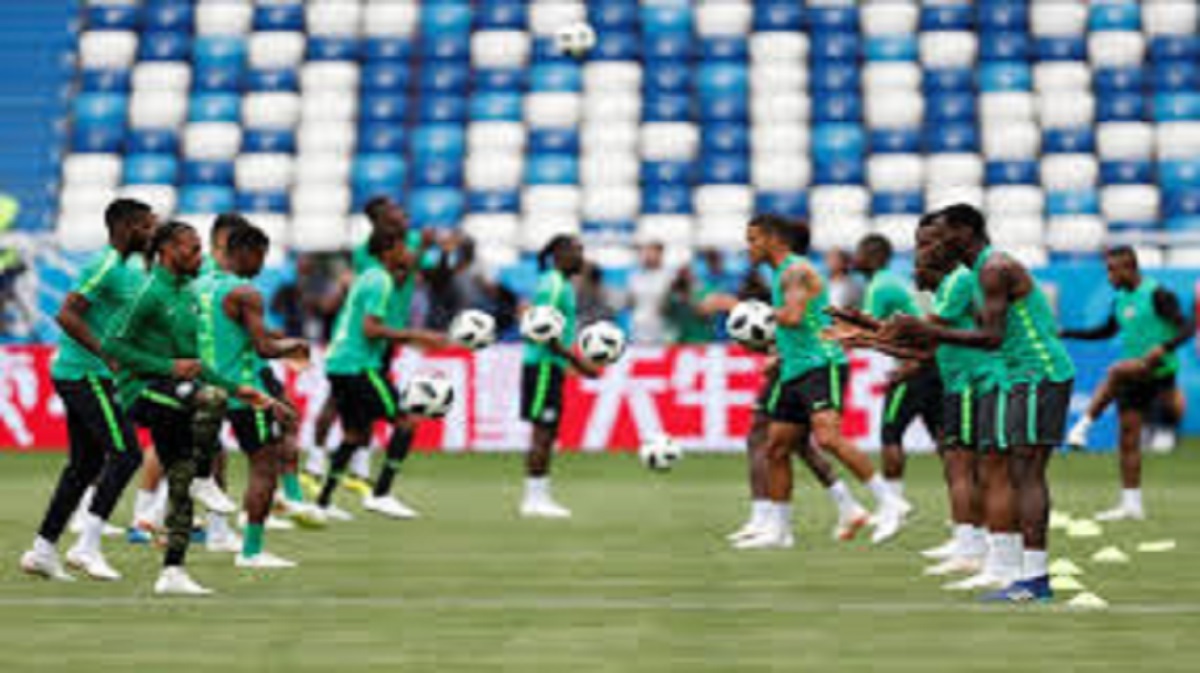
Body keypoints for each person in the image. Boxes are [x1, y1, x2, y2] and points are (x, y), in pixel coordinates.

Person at [878, 204, 1075, 602]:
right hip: (1022, 374)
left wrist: (919, 328)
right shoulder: (982, 270)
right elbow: (975, 337)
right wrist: (879, 334)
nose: (932, 247)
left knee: (1024, 473)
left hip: (1039, 371)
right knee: (1015, 472)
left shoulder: (994, 269)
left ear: (964, 232)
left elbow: (990, 338)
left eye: (940, 237)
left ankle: (1032, 578)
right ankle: (1023, 574)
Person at [105, 220, 285, 595]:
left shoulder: (188, 293)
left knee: (181, 479)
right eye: (193, 248)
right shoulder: (148, 292)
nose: (200, 255)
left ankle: (173, 571)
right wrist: (166, 367)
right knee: (210, 399)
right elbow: (113, 345)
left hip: (175, 390)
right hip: (141, 391)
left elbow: (196, 363)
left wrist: (243, 391)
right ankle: (206, 476)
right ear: (168, 251)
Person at [735, 214, 905, 550]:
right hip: (794, 368)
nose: (749, 247)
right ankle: (780, 531)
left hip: (821, 364)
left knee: (827, 438)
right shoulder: (781, 274)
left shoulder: (796, 270)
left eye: (753, 239)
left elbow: (794, 316)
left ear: (773, 239)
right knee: (776, 448)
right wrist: (777, 352)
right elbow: (797, 324)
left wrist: (743, 311)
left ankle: (890, 502)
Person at [20, 199, 157, 581]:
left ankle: (42, 551)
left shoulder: (129, 268)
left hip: (86, 373)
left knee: (84, 466)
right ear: (127, 227)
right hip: (86, 373)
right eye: (147, 226)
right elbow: (66, 314)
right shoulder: (105, 265)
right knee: (127, 454)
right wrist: (107, 355)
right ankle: (86, 547)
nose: (152, 233)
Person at [196, 223, 315, 567]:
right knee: (264, 466)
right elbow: (264, 348)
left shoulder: (199, 285)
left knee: (209, 460)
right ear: (245, 253)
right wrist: (295, 345)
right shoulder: (245, 292)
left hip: (205, 387)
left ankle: (214, 532)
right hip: (244, 392)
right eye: (261, 256)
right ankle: (251, 551)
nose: (262, 265)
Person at [315, 226, 445, 520]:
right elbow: (370, 329)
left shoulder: (367, 276)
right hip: (359, 364)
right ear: (389, 251)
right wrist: (419, 335)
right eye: (404, 248)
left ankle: (322, 503)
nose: (408, 253)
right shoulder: (380, 280)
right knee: (406, 421)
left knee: (354, 433)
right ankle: (381, 494)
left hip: (338, 363)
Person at [1061, 246, 1192, 521]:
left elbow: (1188, 327)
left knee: (1116, 371)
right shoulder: (1120, 299)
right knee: (1128, 437)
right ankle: (1132, 505)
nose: (1109, 276)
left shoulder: (1158, 294)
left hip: (1159, 369)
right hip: (1135, 371)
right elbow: (1105, 331)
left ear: (1129, 268)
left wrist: (1164, 347)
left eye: (1113, 270)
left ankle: (1082, 426)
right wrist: (1066, 332)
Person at [854, 234, 942, 506]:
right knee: (944, 440)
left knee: (891, 435)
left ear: (873, 256)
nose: (855, 258)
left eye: (859, 252)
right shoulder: (896, 282)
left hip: (915, 367)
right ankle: (973, 506)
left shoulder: (879, 286)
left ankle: (893, 504)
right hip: (935, 363)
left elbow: (868, 331)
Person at [519, 235, 601, 518]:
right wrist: (579, 363)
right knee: (542, 432)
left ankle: (539, 496)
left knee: (548, 432)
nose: (582, 258)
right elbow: (543, 332)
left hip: (549, 365)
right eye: (577, 251)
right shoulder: (553, 286)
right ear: (560, 255)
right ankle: (534, 500)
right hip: (543, 365)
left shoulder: (558, 283)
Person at [628, 241, 672, 344]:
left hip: (660, 328)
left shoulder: (669, 276)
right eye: (646, 252)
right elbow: (631, 302)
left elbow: (668, 304)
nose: (648, 256)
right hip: (638, 327)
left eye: (652, 252)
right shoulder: (635, 276)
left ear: (660, 254)